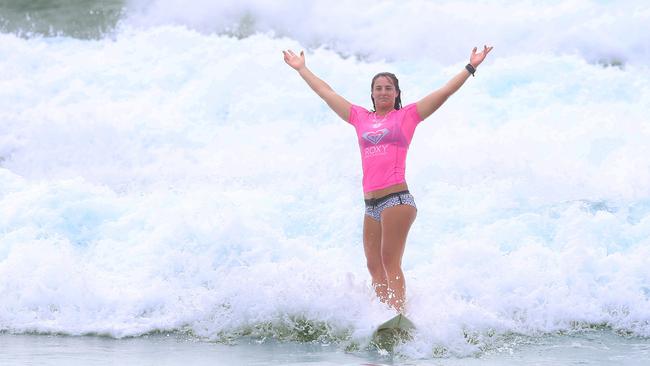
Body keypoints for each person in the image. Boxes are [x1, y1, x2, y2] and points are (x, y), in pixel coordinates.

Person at [283, 46, 493, 313]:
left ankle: (398, 314)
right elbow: (327, 93)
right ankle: (384, 315)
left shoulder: (406, 117)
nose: (383, 91)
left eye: (388, 88)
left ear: (396, 94)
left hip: (397, 200)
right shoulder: (360, 117)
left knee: (389, 259)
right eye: (378, 88)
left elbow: (444, 92)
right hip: (371, 206)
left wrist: (470, 67)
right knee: (373, 266)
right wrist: (302, 69)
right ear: (372, 93)